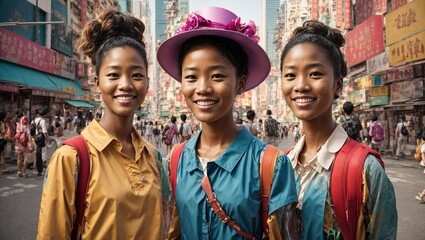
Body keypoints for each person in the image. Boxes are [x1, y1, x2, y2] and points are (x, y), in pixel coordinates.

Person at [157, 7, 299, 239]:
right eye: (191, 77)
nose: (202, 88)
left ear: (240, 83)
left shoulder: (271, 165)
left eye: (217, 76)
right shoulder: (175, 160)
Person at [37, 9, 169, 239]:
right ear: (97, 83)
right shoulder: (71, 158)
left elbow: (167, 228)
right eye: (114, 75)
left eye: (137, 75)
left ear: (148, 83)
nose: (126, 84)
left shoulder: (154, 158)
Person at [280, 20, 397, 239]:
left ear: (338, 85)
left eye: (315, 74)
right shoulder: (282, 165)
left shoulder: (365, 169)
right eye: (290, 75)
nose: (301, 85)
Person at [34, 106, 50, 176]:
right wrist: (48, 139)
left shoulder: (35, 119)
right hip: (41, 139)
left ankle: (38, 169)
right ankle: (41, 169)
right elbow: (45, 132)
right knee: (42, 154)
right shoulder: (42, 121)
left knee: (38, 153)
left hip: (36, 138)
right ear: (45, 114)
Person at [14, 109, 30, 177]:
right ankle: (24, 172)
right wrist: (30, 141)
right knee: (26, 156)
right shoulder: (25, 123)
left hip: (18, 141)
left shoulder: (17, 123)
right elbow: (28, 133)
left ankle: (19, 171)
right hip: (24, 141)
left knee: (19, 157)